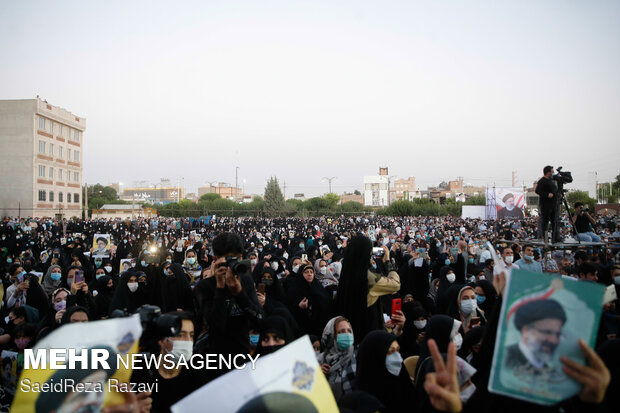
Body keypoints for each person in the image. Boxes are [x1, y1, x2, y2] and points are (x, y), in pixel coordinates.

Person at [131, 311, 208, 413]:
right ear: (162, 340)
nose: (188, 340)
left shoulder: (196, 374)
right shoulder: (142, 373)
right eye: (181, 335)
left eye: (191, 335)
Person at [504, 299, 566, 378]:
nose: (554, 341)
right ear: (526, 330)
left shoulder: (552, 374)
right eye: (547, 332)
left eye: (558, 335)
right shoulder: (505, 359)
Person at [318, 316, 357, 401]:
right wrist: (317, 376)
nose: (347, 334)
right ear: (333, 336)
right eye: (341, 332)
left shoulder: (357, 357)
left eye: (349, 331)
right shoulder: (320, 360)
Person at [536, 165, 560, 242]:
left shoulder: (551, 180)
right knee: (545, 222)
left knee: (554, 221)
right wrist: (547, 195)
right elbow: (538, 191)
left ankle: (555, 237)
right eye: (552, 171)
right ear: (548, 172)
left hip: (554, 204)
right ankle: (544, 237)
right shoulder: (542, 181)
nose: (553, 173)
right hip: (546, 205)